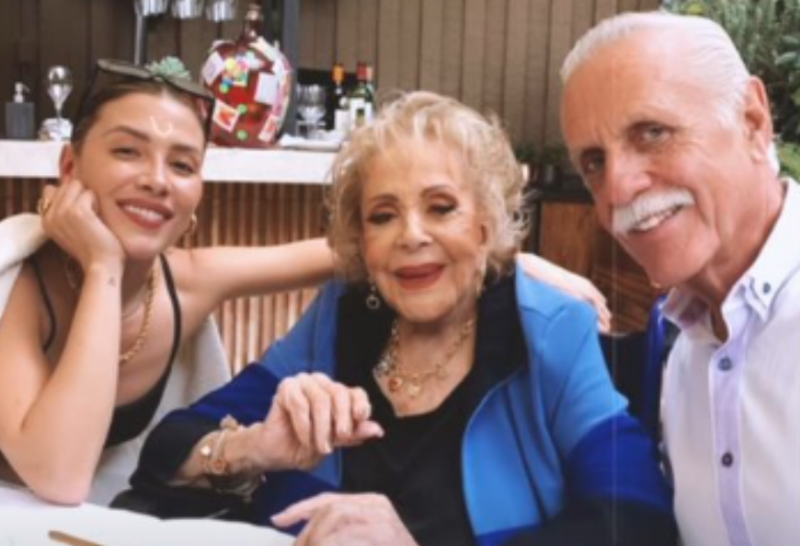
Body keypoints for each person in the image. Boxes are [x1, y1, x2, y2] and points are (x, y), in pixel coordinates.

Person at [129, 91, 676, 546]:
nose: (410, 235)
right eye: (382, 216)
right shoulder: (342, 317)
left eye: (441, 208)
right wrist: (257, 446)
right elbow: (168, 448)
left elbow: (638, 524)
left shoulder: (546, 333)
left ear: (485, 224)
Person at [0, 59, 612, 508]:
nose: (158, 180)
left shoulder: (188, 280)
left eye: (182, 163)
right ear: (69, 167)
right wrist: (103, 266)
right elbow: (64, 475)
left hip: (94, 533)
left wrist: (504, 259)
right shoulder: (20, 285)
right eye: (128, 152)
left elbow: (370, 251)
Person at [560, 12, 799, 546]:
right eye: (594, 162)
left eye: (652, 133)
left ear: (752, 120)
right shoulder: (684, 348)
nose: (618, 189)